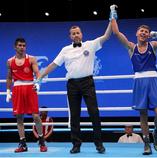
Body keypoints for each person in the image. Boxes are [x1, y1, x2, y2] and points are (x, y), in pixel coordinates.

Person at [34, 8, 113, 154]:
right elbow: (53, 64)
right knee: (74, 115)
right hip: (72, 85)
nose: (76, 35)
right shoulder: (65, 50)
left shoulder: (90, 44)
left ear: (81, 34)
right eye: (73, 33)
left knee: (94, 113)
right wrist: (40, 76)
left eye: (78, 32)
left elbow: (107, 35)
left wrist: (111, 19)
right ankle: (76, 144)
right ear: (70, 36)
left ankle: (99, 144)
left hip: (87, 83)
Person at [111, 9, 157, 155]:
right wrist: (112, 15)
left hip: (153, 80)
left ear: (148, 34)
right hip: (139, 81)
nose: (144, 33)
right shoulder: (131, 47)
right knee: (143, 115)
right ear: (137, 33)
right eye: (141, 30)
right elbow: (116, 33)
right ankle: (146, 144)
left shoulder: (153, 45)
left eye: (146, 31)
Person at [6, 38, 47, 152]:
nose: (22, 47)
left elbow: (37, 73)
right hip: (17, 89)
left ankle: (42, 141)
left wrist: (37, 84)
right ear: (15, 47)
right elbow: (9, 77)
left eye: (24, 45)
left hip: (30, 88)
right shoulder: (10, 61)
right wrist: (8, 91)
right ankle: (23, 144)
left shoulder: (31, 59)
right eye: (19, 45)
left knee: (36, 116)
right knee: (19, 117)